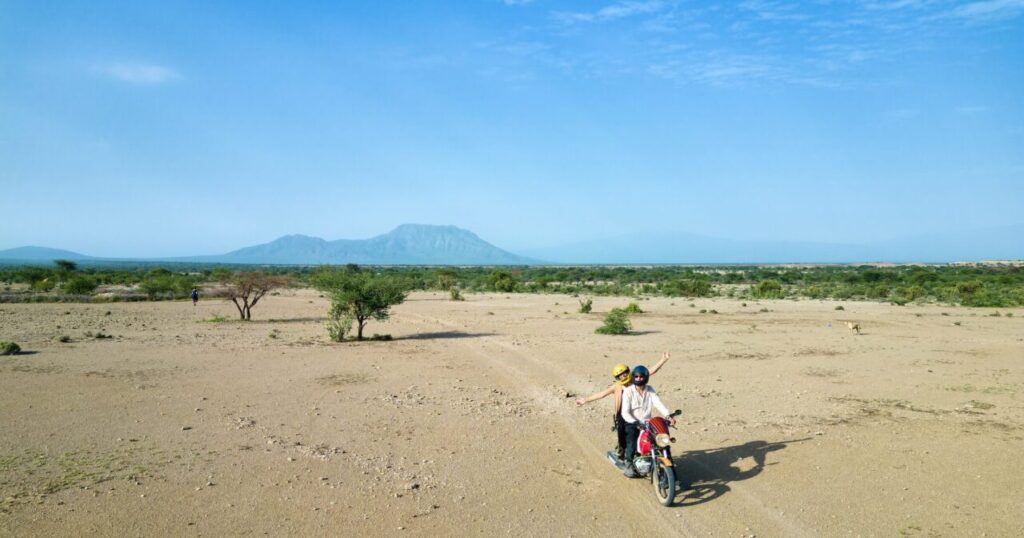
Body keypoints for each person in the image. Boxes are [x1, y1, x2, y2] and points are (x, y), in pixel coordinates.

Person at [576, 352, 670, 460]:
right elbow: (602, 394)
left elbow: (650, 371)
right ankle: (622, 451)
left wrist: (663, 360)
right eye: (620, 375)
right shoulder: (617, 386)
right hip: (622, 414)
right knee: (622, 434)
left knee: (649, 433)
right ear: (617, 377)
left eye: (625, 373)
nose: (623, 375)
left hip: (638, 413)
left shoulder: (636, 379)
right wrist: (586, 400)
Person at [620, 365, 676, 478]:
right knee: (632, 439)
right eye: (636, 376)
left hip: (647, 422)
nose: (639, 379)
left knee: (662, 441)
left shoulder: (649, 389)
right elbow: (625, 412)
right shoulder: (628, 391)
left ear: (646, 377)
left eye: (641, 377)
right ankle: (629, 463)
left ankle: (672, 472)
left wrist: (668, 415)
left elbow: (658, 403)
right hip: (632, 421)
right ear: (633, 377)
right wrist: (635, 422)